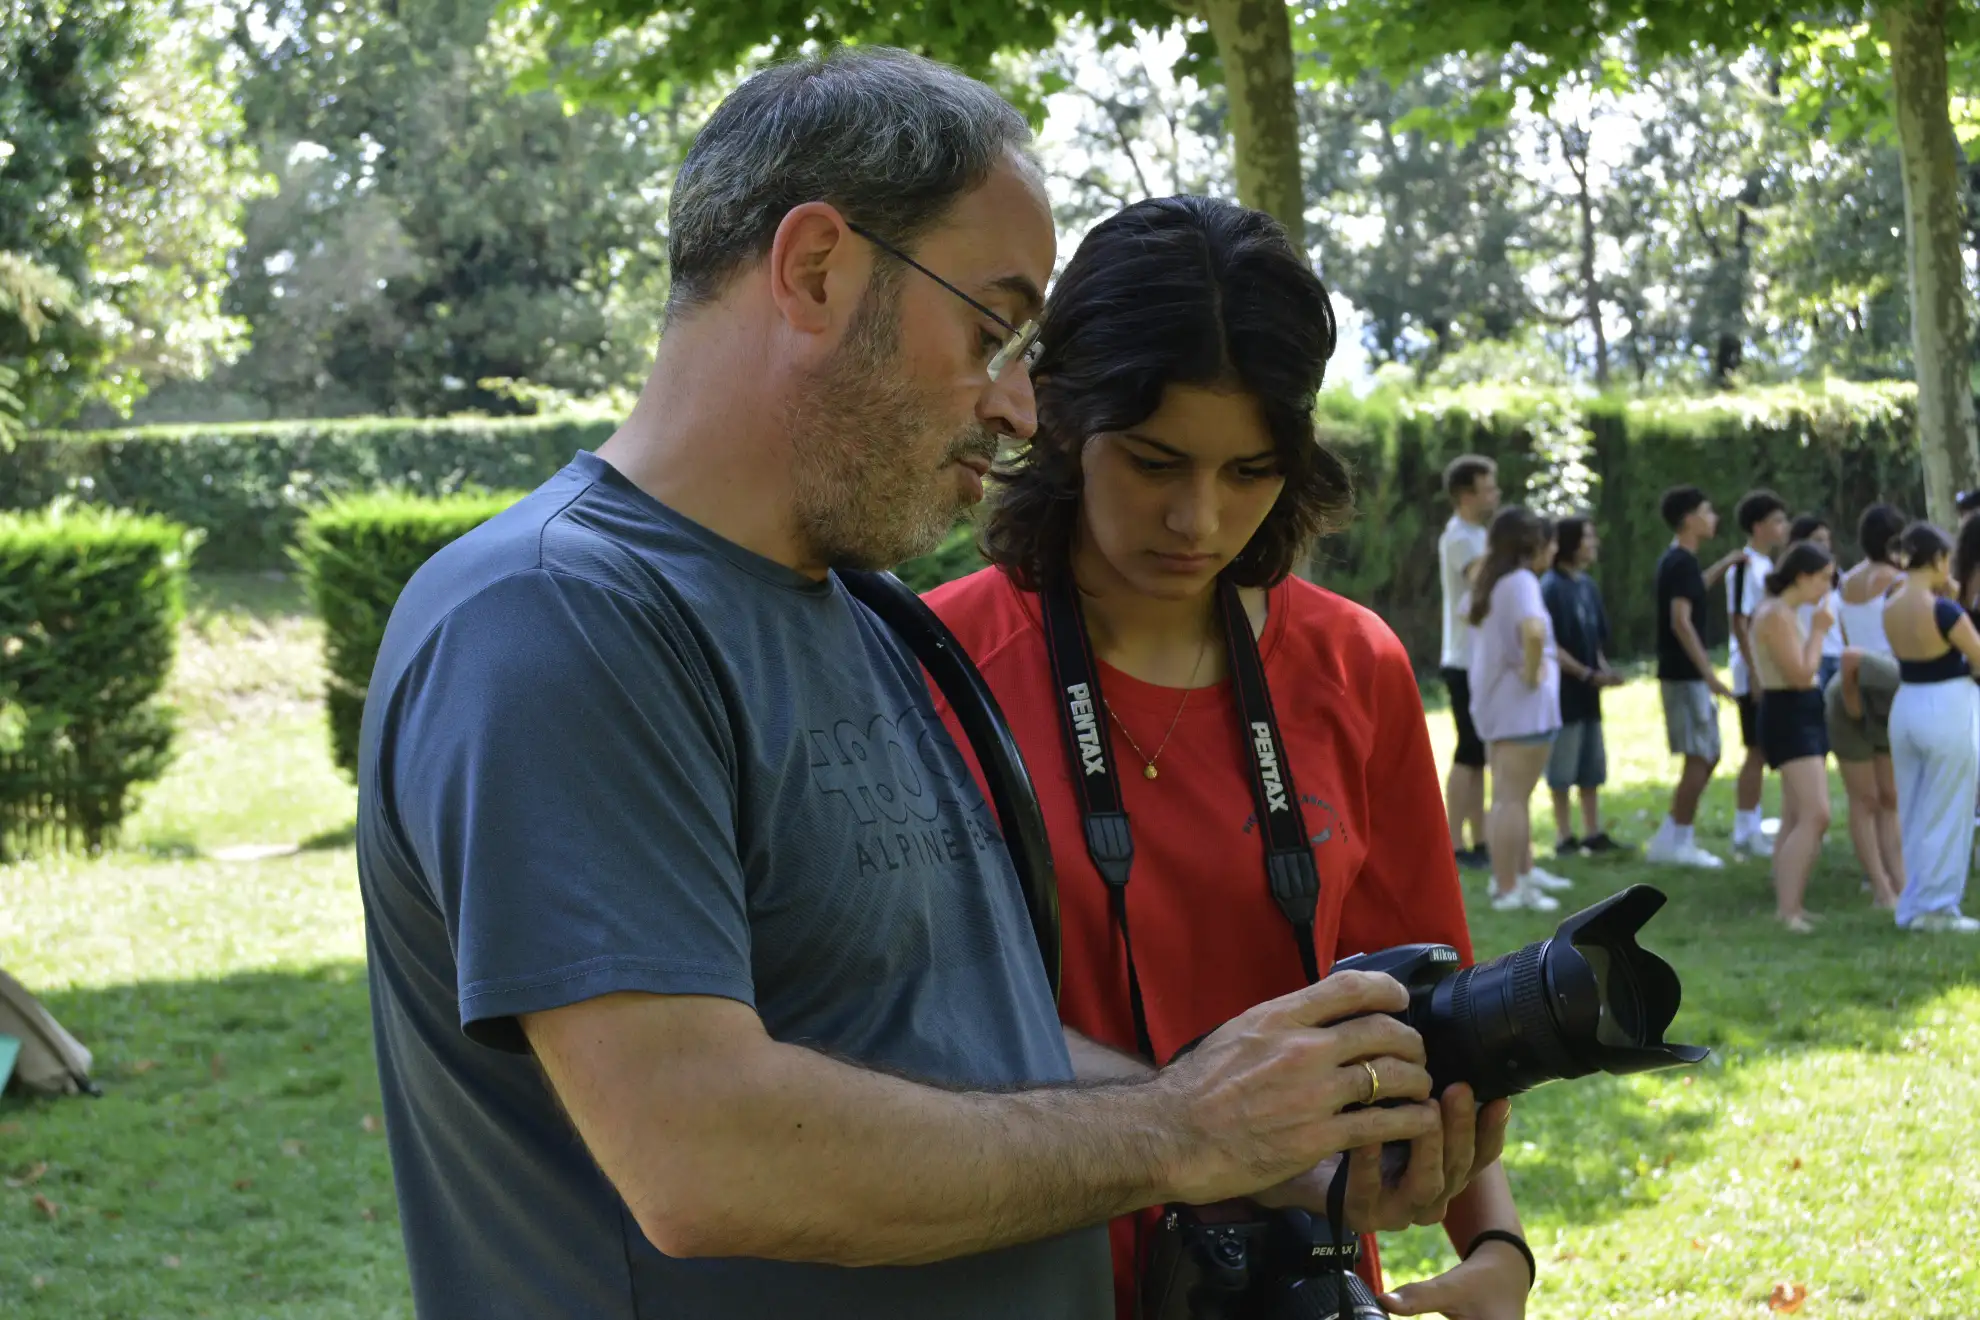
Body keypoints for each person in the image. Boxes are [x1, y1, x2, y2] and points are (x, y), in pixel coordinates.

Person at [350, 52, 1443, 1320]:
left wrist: (1274, 1147)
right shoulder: (552, 619)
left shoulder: (865, 616)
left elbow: (949, 1048)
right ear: (817, 270)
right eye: (991, 330)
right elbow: (700, 1150)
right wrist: (1176, 1131)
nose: (1024, 409)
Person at [923, 195, 1533, 1320]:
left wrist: (1496, 1249)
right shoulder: (933, 665)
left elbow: (1428, 1013)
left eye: (1249, 472)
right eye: (1155, 462)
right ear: (1060, 417)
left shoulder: (1354, 665)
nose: (1198, 519)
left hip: (1299, 1285)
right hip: (1016, 1272)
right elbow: (907, 1016)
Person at [1467, 507, 1567, 913]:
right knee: (1512, 799)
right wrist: (1531, 672)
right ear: (1533, 544)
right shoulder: (1522, 580)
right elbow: (1534, 630)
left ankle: (1518, 878)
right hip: (1522, 707)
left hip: (1497, 705)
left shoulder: (1491, 579)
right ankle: (1508, 887)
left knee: (1509, 797)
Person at [1883, 522, 1980, 934]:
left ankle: (1915, 902)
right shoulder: (1944, 610)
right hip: (1947, 704)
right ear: (1940, 559)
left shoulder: (1890, 603)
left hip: (1906, 702)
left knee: (1916, 807)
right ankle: (1938, 906)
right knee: (1949, 807)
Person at [1646, 486, 1742, 867]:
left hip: (1686, 675)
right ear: (1689, 519)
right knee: (1702, 754)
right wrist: (1710, 676)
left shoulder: (1679, 561)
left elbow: (1693, 590)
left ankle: (1673, 836)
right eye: (1707, 511)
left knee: (1706, 752)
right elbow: (1681, 622)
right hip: (1685, 676)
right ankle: (1676, 839)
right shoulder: (1680, 563)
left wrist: (1725, 564)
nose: (1714, 517)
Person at [1750, 541, 1838, 932]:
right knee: (1817, 813)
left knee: (1795, 813)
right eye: (1823, 579)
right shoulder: (1775, 614)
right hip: (1789, 713)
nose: (1827, 588)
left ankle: (1791, 905)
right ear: (1802, 576)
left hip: (1799, 711)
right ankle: (1788, 909)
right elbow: (1801, 673)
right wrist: (1819, 632)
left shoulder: (1786, 612)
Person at [1541, 516, 1625, 856]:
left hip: (1590, 694)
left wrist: (1603, 672)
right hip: (1563, 695)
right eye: (1587, 538)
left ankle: (1592, 831)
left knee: (1592, 766)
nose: (1594, 544)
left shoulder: (1588, 586)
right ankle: (1564, 836)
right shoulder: (1550, 587)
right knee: (1562, 768)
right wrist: (1586, 675)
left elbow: (1596, 643)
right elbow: (1551, 645)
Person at [1438, 455, 1501, 871]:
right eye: (1488, 487)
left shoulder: (1477, 533)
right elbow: (1484, 579)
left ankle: (1479, 840)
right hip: (1463, 660)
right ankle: (1452, 842)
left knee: (1479, 753)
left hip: (1478, 660)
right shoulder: (1460, 536)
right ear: (1466, 495)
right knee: (1468, 750)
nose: (1495, 493)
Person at [1728, 490, 1791, 858]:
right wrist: (1755, 672)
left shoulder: (1768, 567)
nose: (1782, 528)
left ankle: (1754, 823)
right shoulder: (1744, 566)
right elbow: (1740, 620)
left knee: (1766, 748)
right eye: (1777, 521)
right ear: (1758, 526)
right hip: (1751, 669)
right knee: (1756, 749)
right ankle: (1744, 829)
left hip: (1767, 668)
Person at [1825, 647, 1905, 910]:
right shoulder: (1894, 674)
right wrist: (1854, 707)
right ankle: (1880, 888)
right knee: (1866, 799)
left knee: (1890, 797)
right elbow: (1850, 658)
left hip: (1887, 717)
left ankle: (1901, 883)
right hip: (1847, 711)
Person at [1835, 503, 1904, 655]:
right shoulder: (1898, 579)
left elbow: (1843, 633)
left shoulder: (1845, 581)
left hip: (1858, 667)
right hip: (1892, 666)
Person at [1789, 514, 1845, 690]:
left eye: (1827, 540)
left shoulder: (1837, 576)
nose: (1825, 545)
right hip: (1811, 655)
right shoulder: (1795, 580)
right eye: (1818, 540)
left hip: (1838, 654)